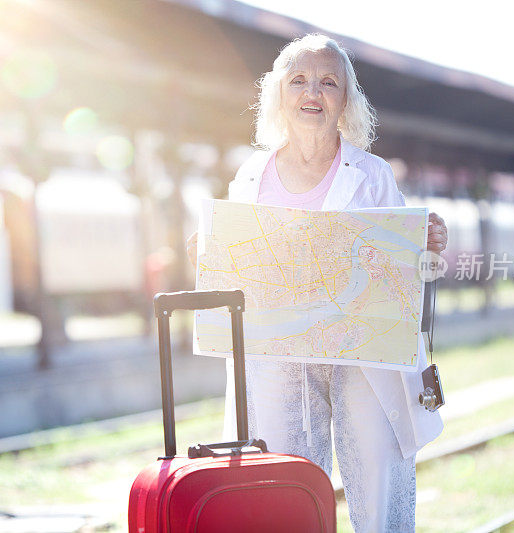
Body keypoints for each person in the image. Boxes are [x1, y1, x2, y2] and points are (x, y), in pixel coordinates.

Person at [187, 34, 448, 532]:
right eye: (299, 80)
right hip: (277, 353)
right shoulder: (250, 175)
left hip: (360, 354)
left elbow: (401, 266)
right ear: (278, 95)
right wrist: (208, 249)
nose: (313, 92)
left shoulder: (372, 175)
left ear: (346, 99)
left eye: (329, 82)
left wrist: (427, 244)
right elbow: (236, 263)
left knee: (377, 473)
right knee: (284, 482)